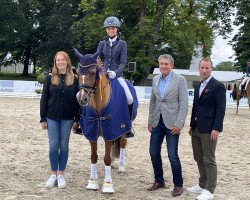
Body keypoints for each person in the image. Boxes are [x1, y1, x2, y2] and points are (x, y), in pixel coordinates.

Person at [147, 54, 188, 197]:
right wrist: (150, 120)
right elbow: (153, 101)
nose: (163, 66)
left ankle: (178, 184)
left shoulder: (180, 80)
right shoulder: (156, 79)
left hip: (172, 123)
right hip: (157, 121)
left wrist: (179, 123)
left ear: (172, 66)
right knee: (153, 152)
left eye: (166, 64)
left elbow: (184, 103)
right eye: (161, 64)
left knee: (172, 155)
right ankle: (159, 180)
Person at [40, 51, 80, 189]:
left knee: (64, 146)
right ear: (55, 62)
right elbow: (44, 99)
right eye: (58, 60)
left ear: (67, 61)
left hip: (68, 118)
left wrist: (77, 118)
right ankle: (53, 174)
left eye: (63, 60)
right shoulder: (49, 78)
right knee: (53, 146)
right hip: (51, 117)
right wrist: (42, 118)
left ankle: (61, 174)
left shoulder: (75, 79)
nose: (60, 62)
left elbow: (78, 101)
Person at [188, 58, 226, 200]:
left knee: (209, 159)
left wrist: (216, 128)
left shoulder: (218, 86)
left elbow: (221, 109)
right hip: (197, 127)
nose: (204, 70)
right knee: (198, 157)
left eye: (207, 68)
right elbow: (195, 107)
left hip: (210, 129)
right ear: (199, 68)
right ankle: (202, 184)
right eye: (202, 68)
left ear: (211, 69)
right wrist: (192, 125)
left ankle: (210, 189)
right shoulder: (198, 85)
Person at [92, 16, 134, 138]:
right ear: (106, 30)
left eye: (113, 28)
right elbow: (97, 59)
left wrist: (116, 72)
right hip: (102, 75)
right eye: (109, 28)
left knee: (129, 98)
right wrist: (101, 70)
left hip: (116, 76)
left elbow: (123, 62)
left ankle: (128, 126)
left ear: (117, 30)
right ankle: (81, 122)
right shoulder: (101, 44)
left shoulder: (122, 44)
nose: (111, 30)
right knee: (88, 92)